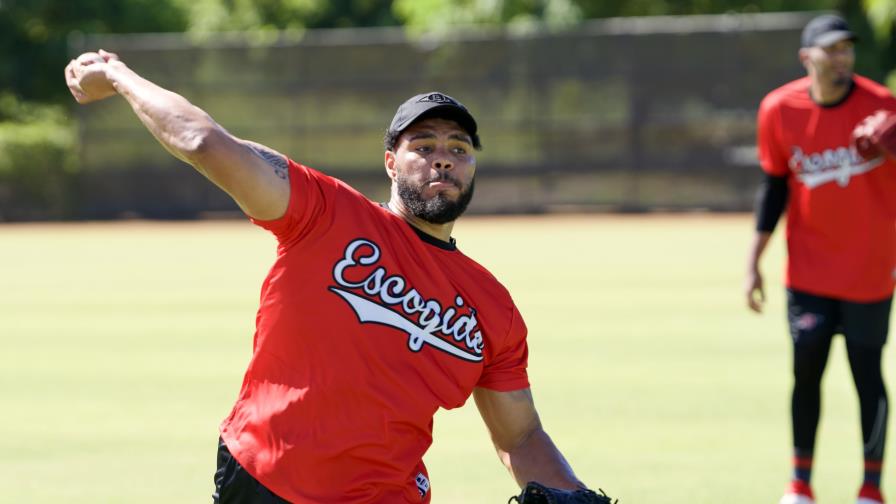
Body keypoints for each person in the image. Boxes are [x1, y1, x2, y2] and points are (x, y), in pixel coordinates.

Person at [64, 50, 605, 503]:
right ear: (391, 162)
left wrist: (572, 492)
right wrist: (117, 74)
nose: (443, 160)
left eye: (458, 150)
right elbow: (204, 142)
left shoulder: (492, 306)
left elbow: (521, 433)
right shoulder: (324, 213)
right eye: (423, 146)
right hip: (266, 479)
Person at [745, 14, 896, 504]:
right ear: (807, 57)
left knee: (866, 374)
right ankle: (799, 484)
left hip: (871, 269)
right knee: (806, 372)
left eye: (847, 49)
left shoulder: (882, 107)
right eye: (831, 49)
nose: (842, 58)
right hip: (808, 270)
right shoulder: (778, 109)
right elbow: (774, 187)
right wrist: (754, 261)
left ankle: (870, 489)